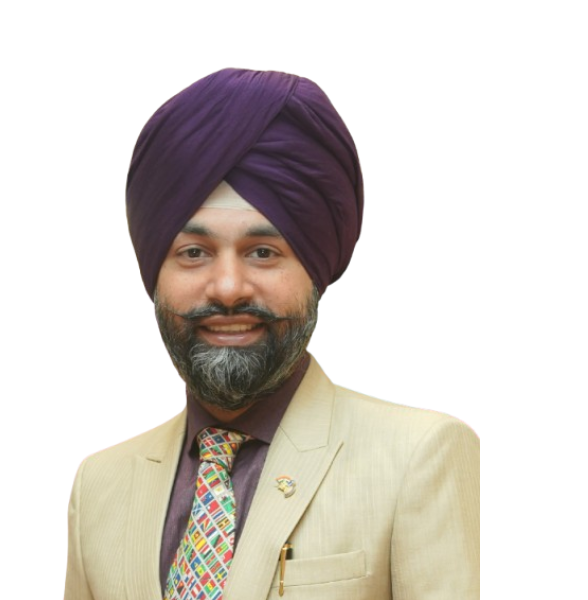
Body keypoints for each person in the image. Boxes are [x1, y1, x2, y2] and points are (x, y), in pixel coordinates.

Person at [65, 68, 480, 600]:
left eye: (263, 252)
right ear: (155, 273)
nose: (228, 287)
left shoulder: (418, 456)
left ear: (314, 269)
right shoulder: (98, 486)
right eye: (193, 253)